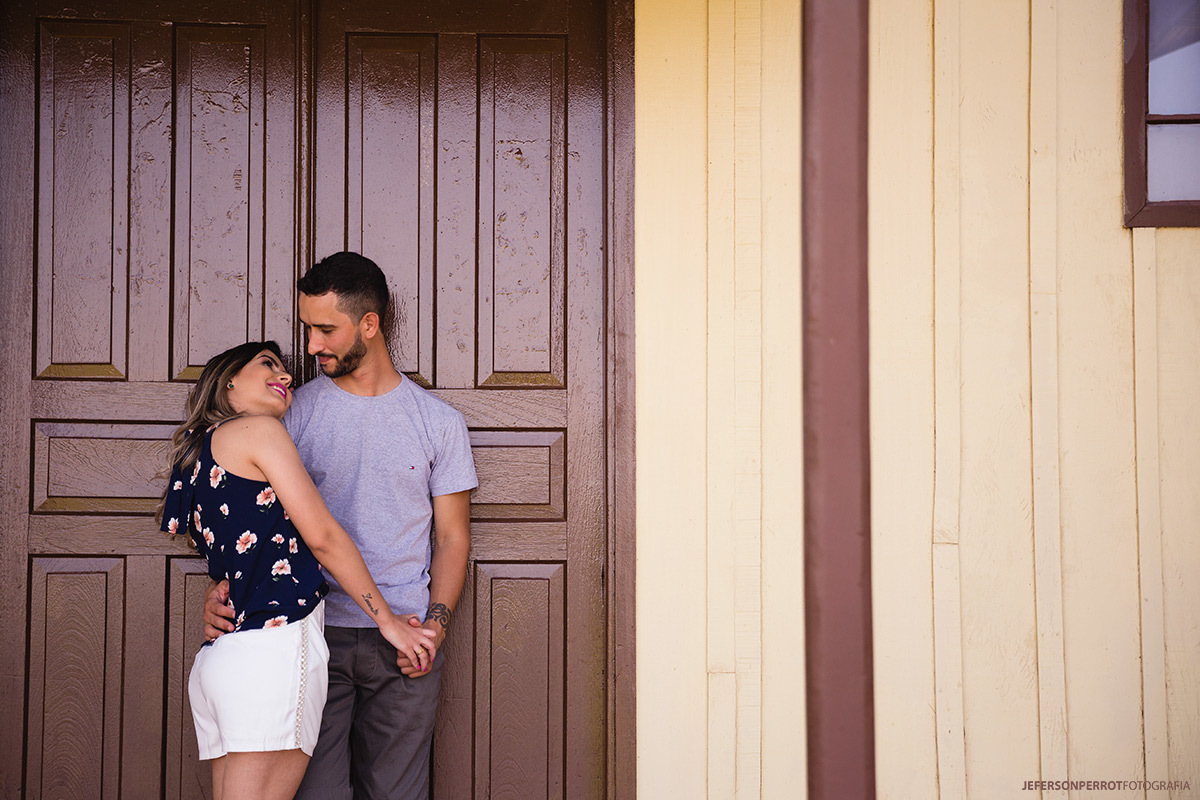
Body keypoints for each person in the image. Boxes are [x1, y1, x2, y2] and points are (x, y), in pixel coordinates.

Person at [203, 252, 477, 800]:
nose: (310, 347)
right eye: (307, 328)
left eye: (325, 329)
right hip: (307, 635)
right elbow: (248, 516)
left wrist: (435, 626)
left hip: (404, 641)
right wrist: (224, 589)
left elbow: (452, 537)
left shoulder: (439, 424)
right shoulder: (289, 416)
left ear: (369, 325)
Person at [159, 340, 437, 800]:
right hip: (275, 650)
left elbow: (236, 556)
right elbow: (323, 536)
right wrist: (388, 622)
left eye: (285, 371)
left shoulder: (202, 453)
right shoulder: (260, 431)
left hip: (223, 661)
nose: (286, 376)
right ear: (228, 379)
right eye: (268, 365)